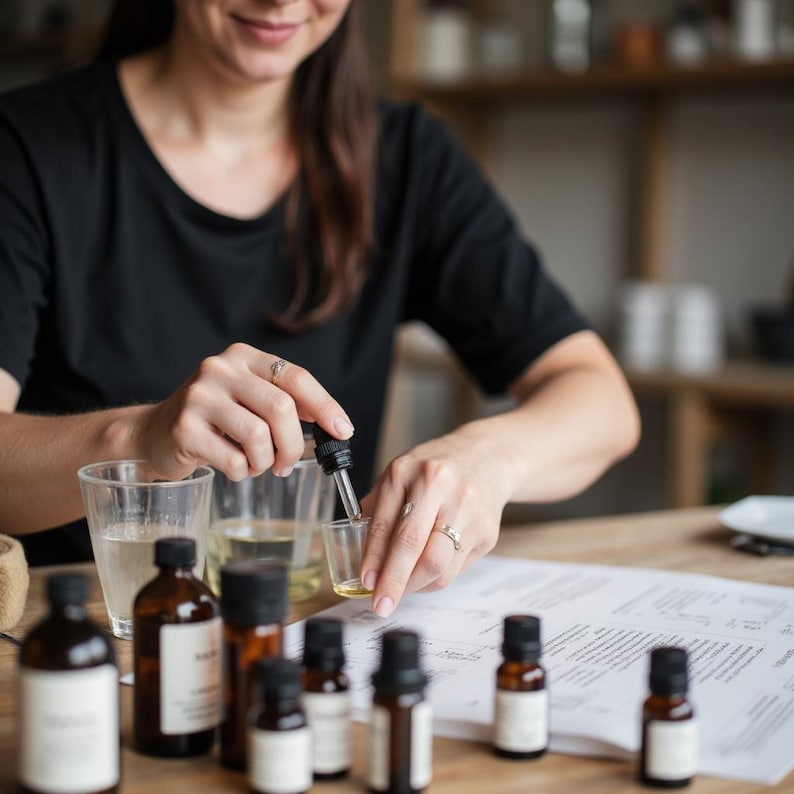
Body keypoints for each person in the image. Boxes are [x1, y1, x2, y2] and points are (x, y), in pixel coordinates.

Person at [0, 0, 640, 618]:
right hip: (83, 630)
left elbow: (602, 404)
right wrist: (139, 439)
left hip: (317, 623)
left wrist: (489, 457)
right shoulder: (26, 147)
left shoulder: (407, 159)